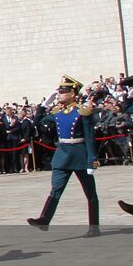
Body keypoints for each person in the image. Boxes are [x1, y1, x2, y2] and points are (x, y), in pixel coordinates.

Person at [29, 75, 100, 236]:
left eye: (63, 91)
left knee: (90, 193)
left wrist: (92, 160)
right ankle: (44, 220)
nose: (60, 94)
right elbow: (37, 124)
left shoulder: (83, 112)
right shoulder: (57, 112)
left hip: (80, 155)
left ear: (73, 94)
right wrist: (42, 106)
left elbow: (89, 137)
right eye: (59, 91)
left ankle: (94, 227)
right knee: (56, 189)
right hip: (62, 155)